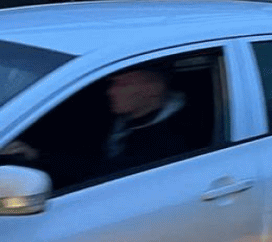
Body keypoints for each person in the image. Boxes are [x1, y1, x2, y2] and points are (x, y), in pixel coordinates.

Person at [1, 65, 195, 185]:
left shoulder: (167, 142)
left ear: (152, 89)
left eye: (122, 85)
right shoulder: (116, 119)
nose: (110, 91)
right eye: (112, 84)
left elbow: (99, 176)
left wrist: (39, 158)